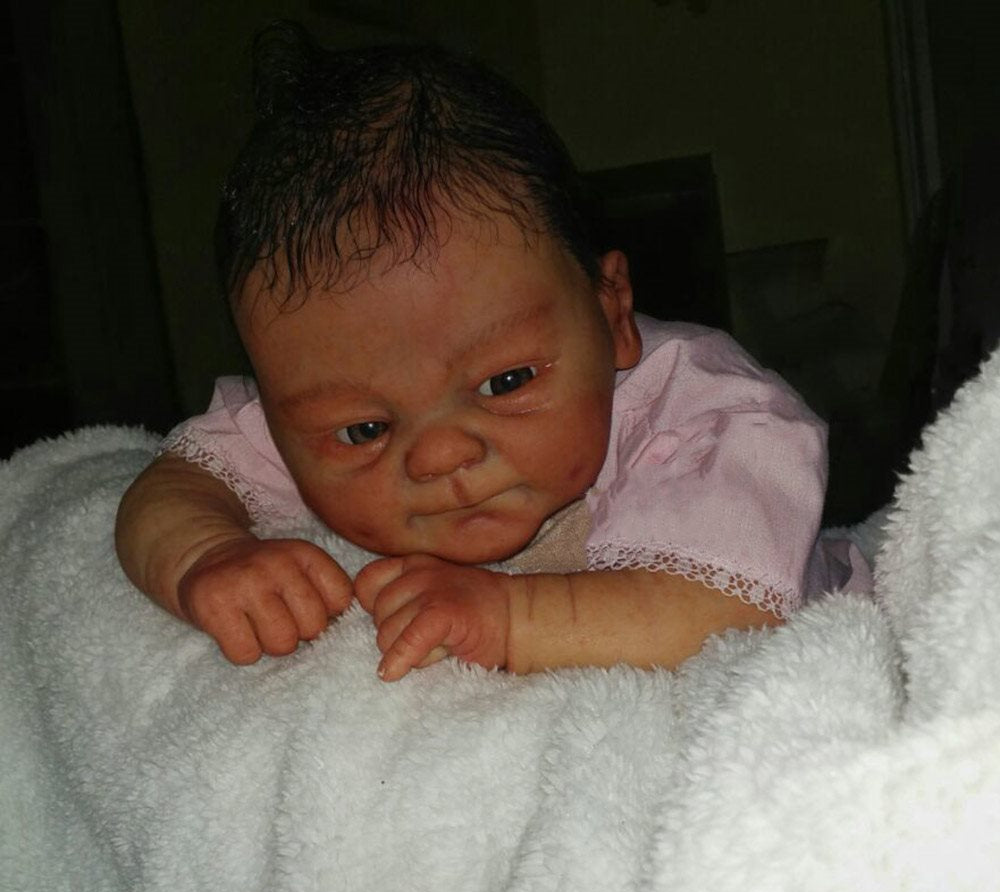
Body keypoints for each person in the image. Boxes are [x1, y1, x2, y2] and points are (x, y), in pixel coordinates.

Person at [115, 22, 869, 681]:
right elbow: (169, 489)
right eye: (367, 430)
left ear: (611, 314)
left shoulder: (709, 412)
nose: (441, 456)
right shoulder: (314, 419)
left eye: (506, 382)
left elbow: (726, 616)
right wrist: (206, 558)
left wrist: (508, 618)